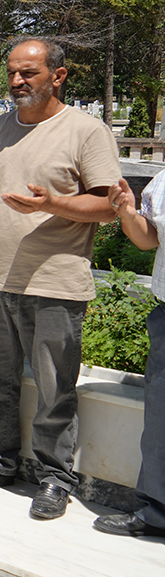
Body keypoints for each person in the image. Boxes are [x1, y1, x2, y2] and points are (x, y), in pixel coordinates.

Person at [0, 39, 120, 521]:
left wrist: (52, 204)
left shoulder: (86, 131)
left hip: (54, 282)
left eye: (29, 73)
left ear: (58, 76)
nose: (18, 81)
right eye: (12, 73)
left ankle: (54, 478)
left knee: (53, 387)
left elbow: (109, 206)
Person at [92, 171, 165, 537]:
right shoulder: (164, 181)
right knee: (161, 419)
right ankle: (157, 513)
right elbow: (148, 239)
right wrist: (128, 213)